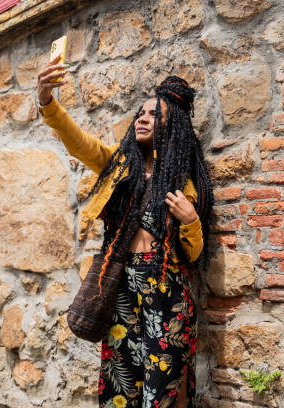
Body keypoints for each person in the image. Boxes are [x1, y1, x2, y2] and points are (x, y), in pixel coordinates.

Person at [37, 57, 213, 408]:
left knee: (164, 384)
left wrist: (191, 221)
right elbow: (80, 143)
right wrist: (47, 102)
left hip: (166, 289)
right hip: (122, 283)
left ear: (172, 125)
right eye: (139, 114)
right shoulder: (120, 165)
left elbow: (192, 254)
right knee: (122, 379)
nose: (142, 119)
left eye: (152, 114)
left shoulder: (184, 182)